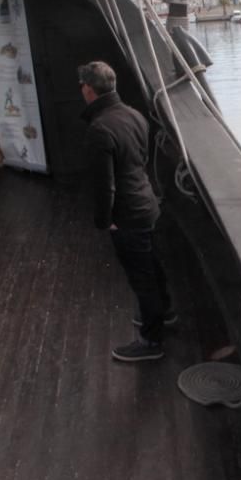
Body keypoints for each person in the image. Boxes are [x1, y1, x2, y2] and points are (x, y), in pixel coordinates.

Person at [77, 61, 175, 362]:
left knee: (141, 277)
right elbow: (140, 159)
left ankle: (151, 341)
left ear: (89, 90)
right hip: (147, 204)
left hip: (128, 215)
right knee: (152, 266)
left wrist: (106, 222)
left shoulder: (100, 129)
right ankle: (165, 313)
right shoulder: (135, 116)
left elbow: (105, 185)